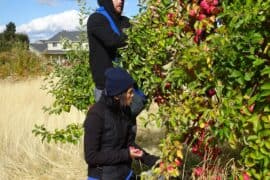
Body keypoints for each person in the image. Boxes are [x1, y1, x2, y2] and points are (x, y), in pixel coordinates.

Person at [84, 67, 158, 180]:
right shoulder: (96, 115)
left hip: (125, 174)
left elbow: (129, 144)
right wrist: (126, 154)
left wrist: (153, 161)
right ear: (118, 95)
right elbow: (91, 157)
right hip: (103, 176)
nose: (133, 95)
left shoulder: (124, 110)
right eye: (130, 92)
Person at [87, 0, 130, 102]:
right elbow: (113, 41)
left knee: (135, 108)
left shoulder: (125, 21)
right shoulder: (96, 19)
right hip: (106, 87)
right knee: (108, 117)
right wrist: (133, 35)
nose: (120, 1)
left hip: (126, 84)